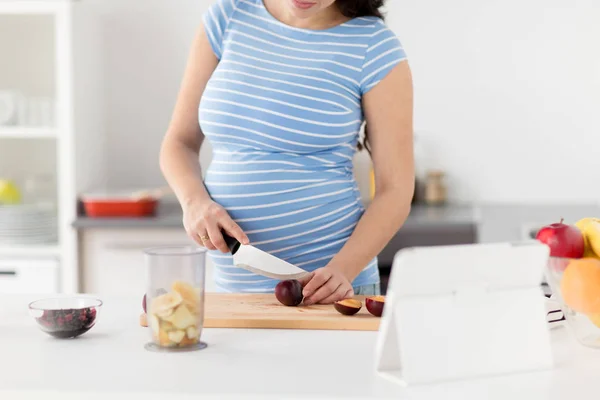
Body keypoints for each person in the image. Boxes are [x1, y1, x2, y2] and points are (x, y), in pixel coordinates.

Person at [159, 0, 414, 305]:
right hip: (233, 293)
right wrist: (194, 202)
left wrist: (342, 271)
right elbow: (179, 143)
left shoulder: (374, 47)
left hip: (332, 292)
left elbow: (396, 190)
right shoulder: (228, 18)